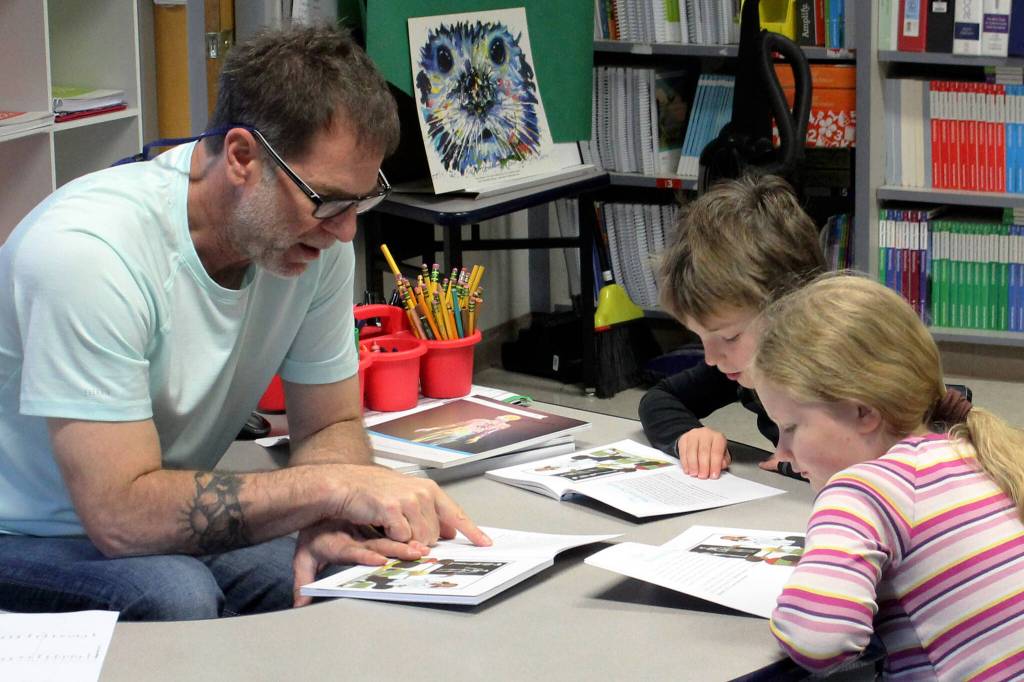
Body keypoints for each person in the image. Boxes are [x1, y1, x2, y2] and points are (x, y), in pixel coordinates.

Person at [0, 23, 490, 622]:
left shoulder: (316, 243)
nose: (345, 230)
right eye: (328, 200)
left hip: (145, 506)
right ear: (241, 157)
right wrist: (329, 490)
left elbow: (330, 423)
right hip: (25, 532)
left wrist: (328, 519)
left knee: (349, 563)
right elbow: (121, 518)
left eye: (361, 201)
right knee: (172, 595)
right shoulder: (88, 253)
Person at [754, 274, 1024, 679]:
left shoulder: (863, 489)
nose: (783, 452)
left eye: (790, 427)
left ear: (863, 412)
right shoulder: (979, 451)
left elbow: (820, 637)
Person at [640, 174, 825, 479]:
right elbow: (660, 398)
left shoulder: (851, 376)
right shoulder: (741, 363)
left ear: (792, 308)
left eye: (729, 336)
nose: (711, 358)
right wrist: (688, 435)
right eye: (701, 338)